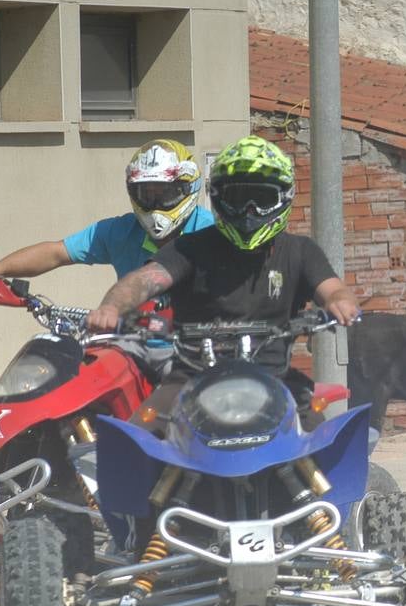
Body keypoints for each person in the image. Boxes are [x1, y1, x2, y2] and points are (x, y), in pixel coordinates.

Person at [86, 135, 360, 428]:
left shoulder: (300, 251)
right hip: (190, 379)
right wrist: (111, 307)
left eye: (261, 199)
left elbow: (333, 289)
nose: (249, 211)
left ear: (283, 197)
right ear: (218, 198)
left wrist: (340, 303)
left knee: (325, 446)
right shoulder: (189, 248)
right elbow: (144, 280)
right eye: (238, 199)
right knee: (134, 444)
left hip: (275, 379)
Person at [0, 139, 213, 283]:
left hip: (196, 351)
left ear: (187, 188)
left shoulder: (212, 233)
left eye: (164, 193)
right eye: (146, 194)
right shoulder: (121, 231)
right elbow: (57, 252)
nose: (155, 202)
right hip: (133, 346)